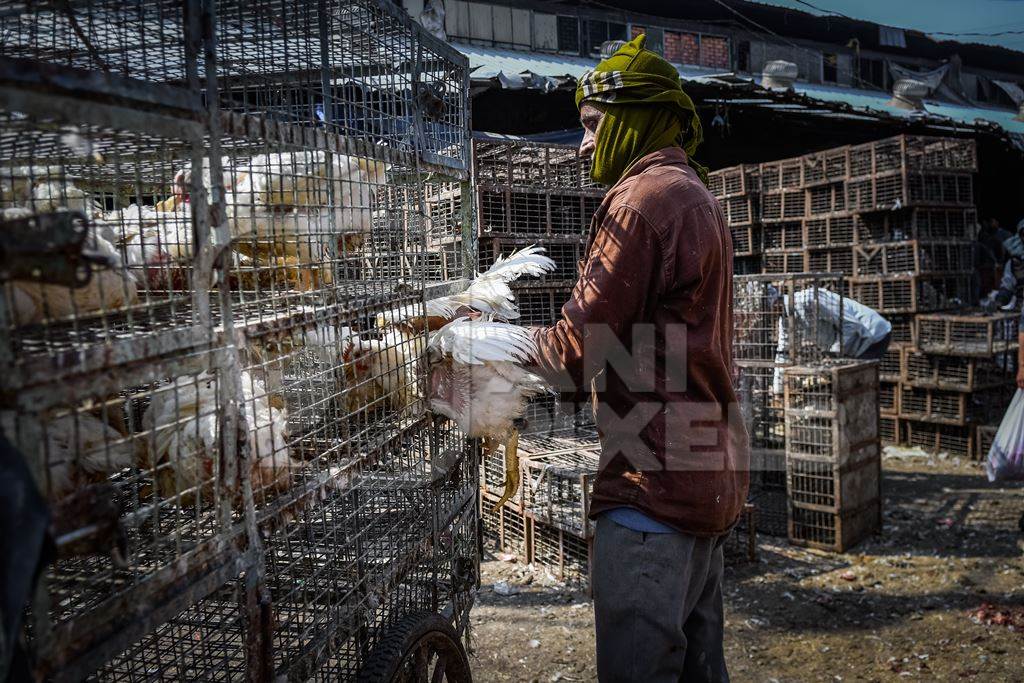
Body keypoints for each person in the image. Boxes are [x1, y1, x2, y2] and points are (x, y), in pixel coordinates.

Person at [528, 35, 747, 683]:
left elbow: (573, 353)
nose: (584, 144)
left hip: (650, 498)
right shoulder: (694, 194)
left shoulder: (642, 202)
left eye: (593, 125)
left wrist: (474, 351)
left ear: (636, 116)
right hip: (703, 482)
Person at [769, 286, 891, 394]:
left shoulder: (809, 300)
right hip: (850, 345)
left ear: (773, 304)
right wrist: (778, 389)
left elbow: (851, 324)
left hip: (871, 335)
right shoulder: (785, 320)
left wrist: (833, 353)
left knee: (854, 389)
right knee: (842, 386)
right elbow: (783, 352)